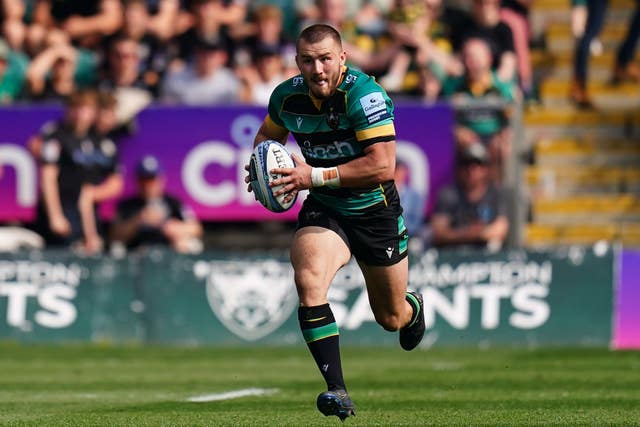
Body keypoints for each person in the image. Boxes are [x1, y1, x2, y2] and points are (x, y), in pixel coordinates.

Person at [244, 24, 425, 420]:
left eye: (326, 58)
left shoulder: (365, 95)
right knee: (309, 280)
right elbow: (266, 137)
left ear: (342, 58)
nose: (318, 68)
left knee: (391, 318)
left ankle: (411, 306)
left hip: (374, 210)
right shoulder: (286, 97)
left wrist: (314, 175)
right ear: (298, 64)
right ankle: (337, 390)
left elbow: (383, 165)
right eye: (308, 61)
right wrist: (262, 168)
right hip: (326, 207)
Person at [32, 89, 123, 254]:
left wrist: (94, 193)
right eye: (78, 108)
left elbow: (115, 180)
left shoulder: (99, 141)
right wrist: (55, 216)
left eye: (87, 109)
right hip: (64, 210)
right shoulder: (57, 136)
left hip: (89, 215)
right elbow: (48, 177)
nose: (82, 114)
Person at [110, 155, 203, 253]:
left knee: (188, 243)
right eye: (144, 180)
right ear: (137, 181)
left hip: (168, 252)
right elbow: (114, 236)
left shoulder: (173, 202)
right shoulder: (127, 205)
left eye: (152, 179)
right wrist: (139, 220)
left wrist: (170, 227)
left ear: (161, 180)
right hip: (136, 253)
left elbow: (196, 228)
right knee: (117, 248)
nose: (148, 185)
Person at [430, 142, 509, 251]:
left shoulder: (495, 193)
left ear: (486, 168)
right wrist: (466, 234)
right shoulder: (448, 194)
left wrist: (479, 234)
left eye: (478, 164)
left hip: (486, 255)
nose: (472, 170)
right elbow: (438, 232)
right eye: (467, 163)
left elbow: (501, 229)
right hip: (453, 254)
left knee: (494, 245)